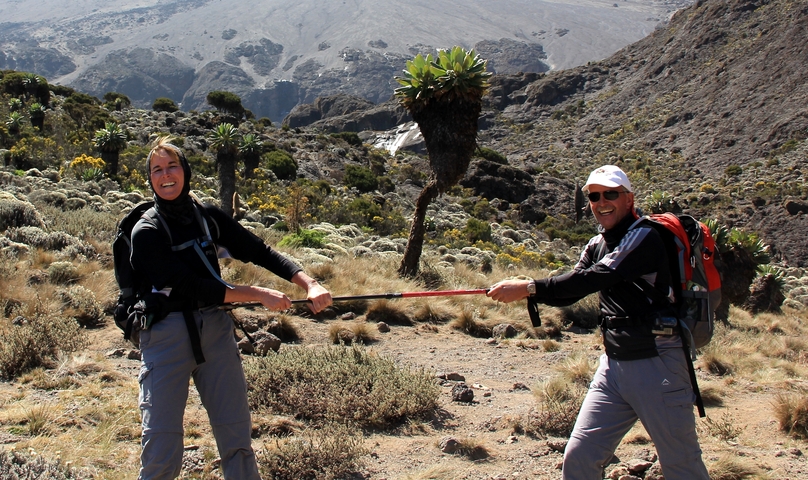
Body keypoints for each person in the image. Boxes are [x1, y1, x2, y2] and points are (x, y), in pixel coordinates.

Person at [487, 165, 709, 479]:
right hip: (613, 367)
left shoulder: (645, 236)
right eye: (594, 196)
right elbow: (572, 287)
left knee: (681, 465)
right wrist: (527, 287)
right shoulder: (596, 244)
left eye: (610, 194)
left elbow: (598, 277)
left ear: (629, 199)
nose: (601, 201)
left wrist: (529, 287)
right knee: (579, 458)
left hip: (658, 363)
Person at [130, 136, 332, 480]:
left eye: (172, 166)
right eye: (157, 170)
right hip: (165, 336)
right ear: (150, 178)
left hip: (216, 333)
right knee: (162, 450)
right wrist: (257, 294)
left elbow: (259, 250)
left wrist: (308, 283)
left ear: (186, 171)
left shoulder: (207, 217)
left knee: (237, 440)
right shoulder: (145, 231)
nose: (166, 175)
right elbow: (193, 287)